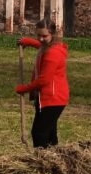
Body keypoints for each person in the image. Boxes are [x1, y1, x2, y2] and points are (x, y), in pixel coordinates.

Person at [15, 18, 70, 148]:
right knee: (49, 133)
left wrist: (24, 89)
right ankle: (54, 159)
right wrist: (28, 42)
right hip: (48, 97)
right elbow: (41, 46)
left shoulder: (53, 53)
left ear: (53, 34)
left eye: (44, 35)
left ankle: (43, 162)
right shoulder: (49, 46)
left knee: (39, 133)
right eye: (38, 35)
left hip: (53, 98)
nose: (40, 39)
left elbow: (44, 80)